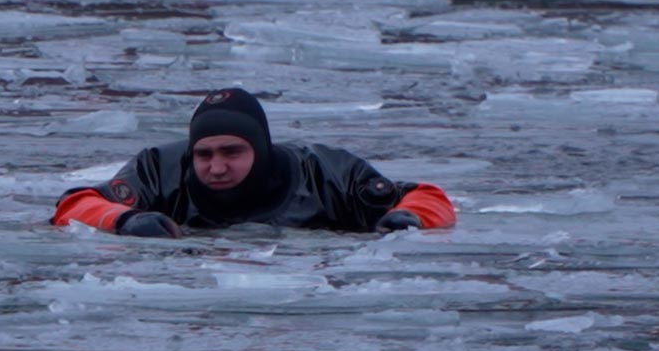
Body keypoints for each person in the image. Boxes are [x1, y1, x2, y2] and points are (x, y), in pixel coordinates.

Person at [51, 88, 456, 238]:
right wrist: (125, 221)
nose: (216, 167)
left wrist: (411, 220)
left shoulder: (326, 173)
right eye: (204, 154)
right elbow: (75, 206)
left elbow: (428, 197)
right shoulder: (161, 168)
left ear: (260, 149)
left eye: (232, 152)